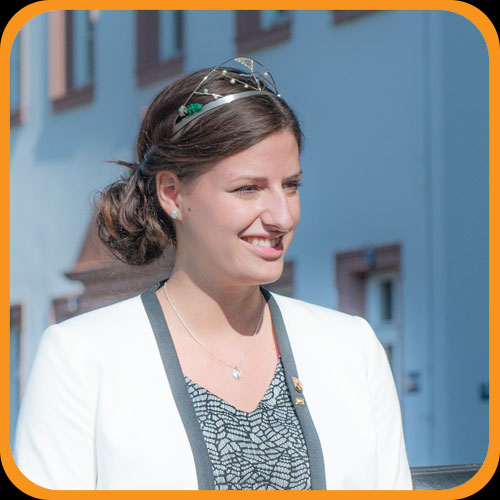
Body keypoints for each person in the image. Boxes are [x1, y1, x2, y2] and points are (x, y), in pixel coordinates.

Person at [13, 57, 412, 490]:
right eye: (248, 189)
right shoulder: (81, 359)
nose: (282, 216)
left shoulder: (352, 350)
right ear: (172, 194)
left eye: (291, 185)